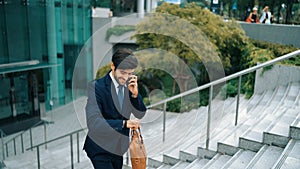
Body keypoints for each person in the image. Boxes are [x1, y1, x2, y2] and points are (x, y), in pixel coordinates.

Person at [83, 48, 147, 169]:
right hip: (100, 148)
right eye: (123, 72)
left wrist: (134, 95)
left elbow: (141, 114)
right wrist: (124, 123)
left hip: (118, 148)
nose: (126, 77)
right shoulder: (96, 87)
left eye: (130, 73)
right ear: (113, 66)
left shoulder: (130, 85)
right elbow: (93, 122)